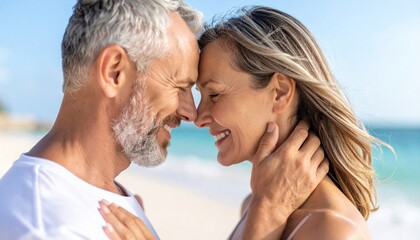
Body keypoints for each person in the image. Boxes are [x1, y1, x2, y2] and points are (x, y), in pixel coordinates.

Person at [0, 1, 327, 240]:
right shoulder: (49, 226)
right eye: (182, 86)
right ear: (114, 72)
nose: (191, 113)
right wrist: (267, 212)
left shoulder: (98, 197)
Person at [100, 5, 389, 240]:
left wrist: (269, 213)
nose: (199, 118)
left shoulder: (334, 231)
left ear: (280, 92)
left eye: (214, 94)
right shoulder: (254, 203)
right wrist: (265, 212)